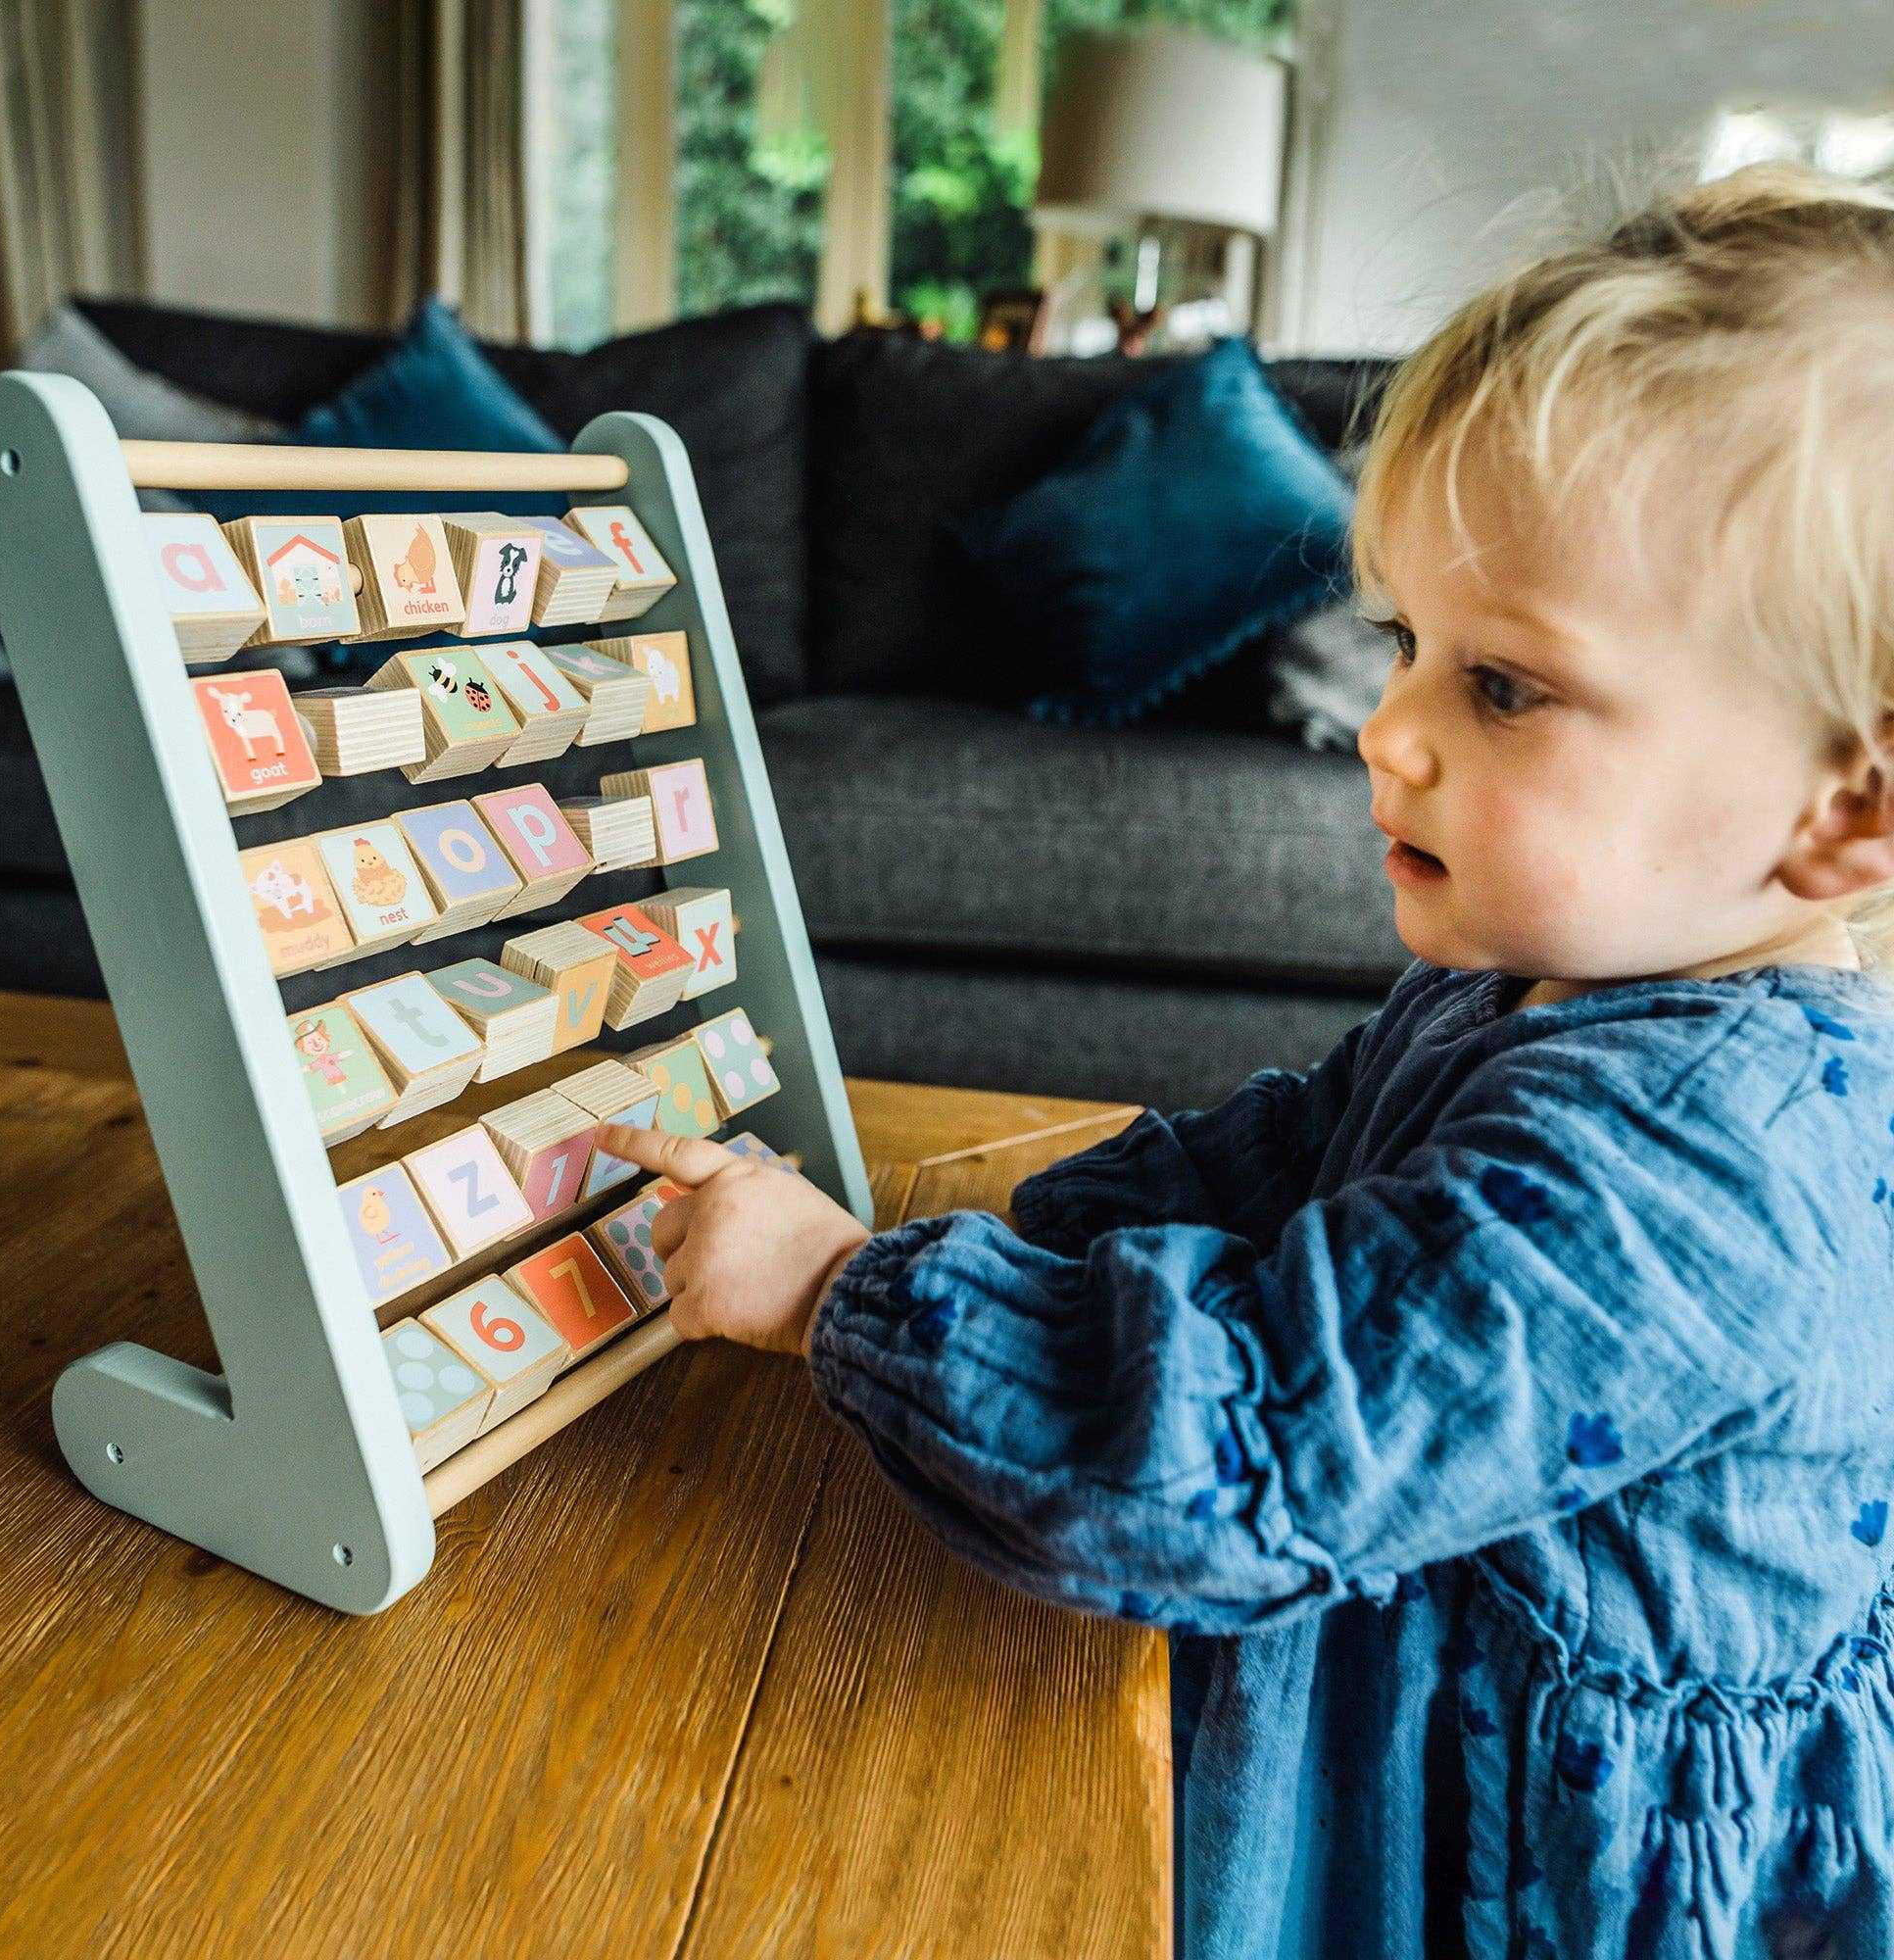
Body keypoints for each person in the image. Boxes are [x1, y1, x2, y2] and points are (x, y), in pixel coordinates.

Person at [592, 159, 1894, 1957]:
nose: (1390, 731)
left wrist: (851, 1298)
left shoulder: (1680, 1178)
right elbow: (1308, 1148)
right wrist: (1037, 1231)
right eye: (1406, 643)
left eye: (1504, 686)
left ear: (1852, 809)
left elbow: (1237, 1465)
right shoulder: (1562, 978)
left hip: (1551, 1881)